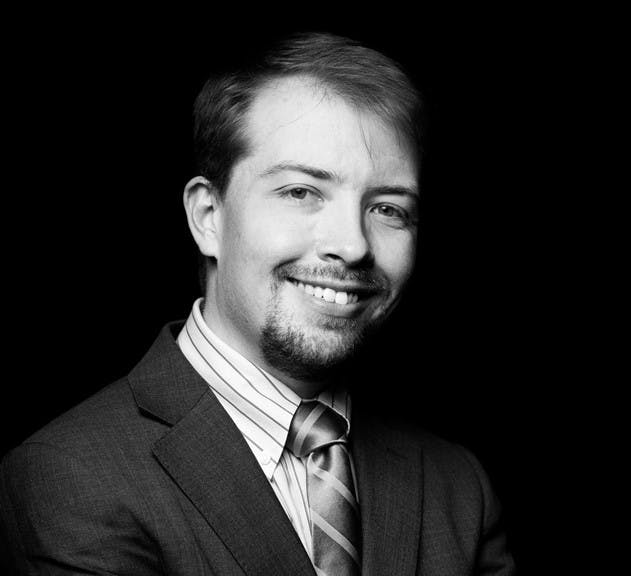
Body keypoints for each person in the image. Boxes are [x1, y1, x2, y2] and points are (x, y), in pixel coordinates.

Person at [0, 32, 514, 575]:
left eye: (387, 208)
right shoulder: (72, 475)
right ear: (207, 216)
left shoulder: (458, 485)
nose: (354, 245)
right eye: (300, 192)